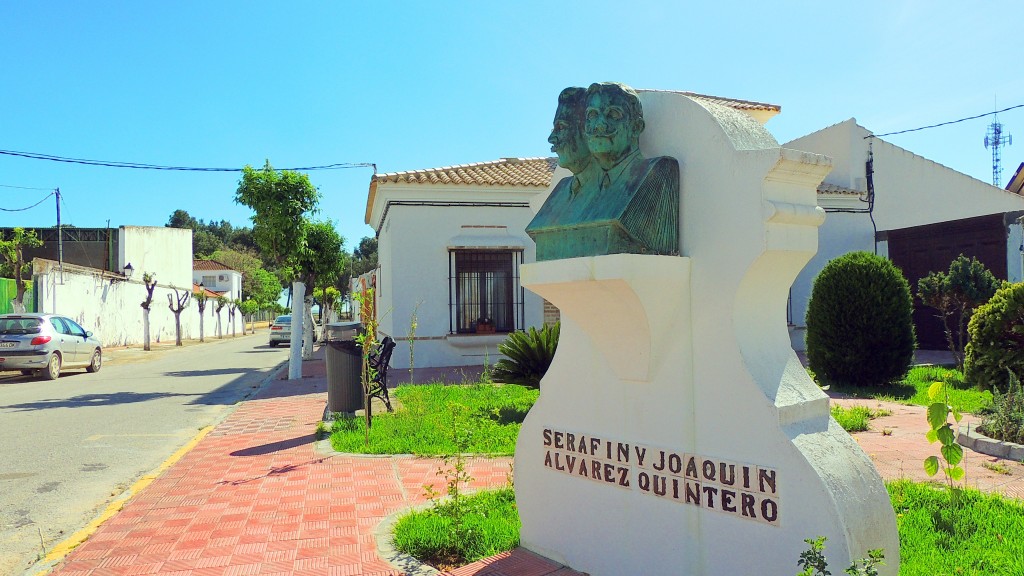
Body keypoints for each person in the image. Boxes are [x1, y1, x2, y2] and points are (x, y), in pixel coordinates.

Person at [527, 82, 679, 260]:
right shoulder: (566, 191)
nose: (599, 125)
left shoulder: (656, 174)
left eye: (612, 115)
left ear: (636, 127)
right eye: (592, 115)